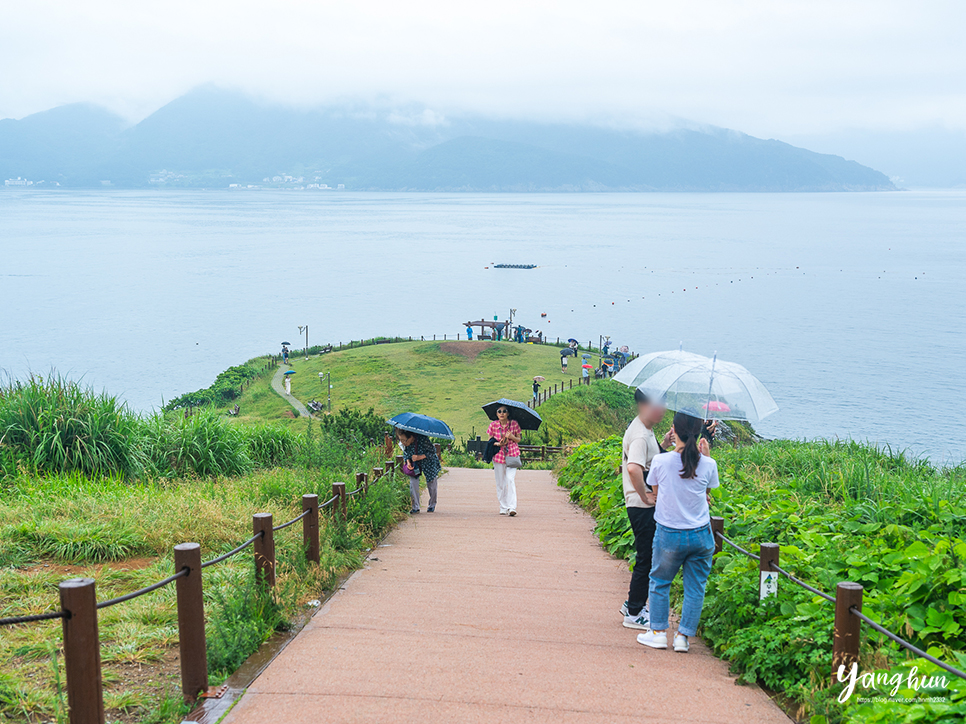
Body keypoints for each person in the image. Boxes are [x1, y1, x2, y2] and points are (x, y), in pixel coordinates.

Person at [637, 412, 719, 654]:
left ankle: (659, 633)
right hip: (701, 534)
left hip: (669, 532)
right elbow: (707, 492)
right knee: (695, 587)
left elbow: (657, 490)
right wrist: (706, 457)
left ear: (673, 430)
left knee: (660, 581)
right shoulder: (708, 463)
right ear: (699, 432)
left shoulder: (661, 462)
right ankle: (683, 638)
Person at [620, 390, 672, 630]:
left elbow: (648, 460)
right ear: (643, 405)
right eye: (657, 404)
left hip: (639, 504)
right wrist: (645, 496)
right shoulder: (641, 435)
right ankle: (634, 612)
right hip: (641, 506)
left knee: (646, 556)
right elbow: (633, 468)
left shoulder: (645, 430)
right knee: (646, 558)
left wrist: (663, 444)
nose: (662, 408)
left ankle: (632, 602)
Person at [487, 405, 521, 516]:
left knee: (510, 479)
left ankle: (512, 507)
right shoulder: (493, 425)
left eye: (504, 411)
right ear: (496, 413)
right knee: (500, 482)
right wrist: (498, 443)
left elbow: (518, 439)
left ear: (508, 413)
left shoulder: (514, 424)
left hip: (512, 454)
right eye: (499, 411)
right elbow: (490, 442)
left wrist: (511, 436)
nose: (502, 413)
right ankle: (503, 506)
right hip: (498, 456)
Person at [396, 429, 441, 514]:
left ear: (411, 437)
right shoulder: (405, 444)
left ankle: (432, 505)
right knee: (413, 482)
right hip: (415, 463)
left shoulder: (423, 439)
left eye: (404, 440)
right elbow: (406, 454)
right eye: (400, 440)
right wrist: (408, 462)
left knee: (432, 483)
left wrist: (420, 457)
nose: (402, 442)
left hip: (428, 462)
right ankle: (415, 507)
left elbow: (432, 452)